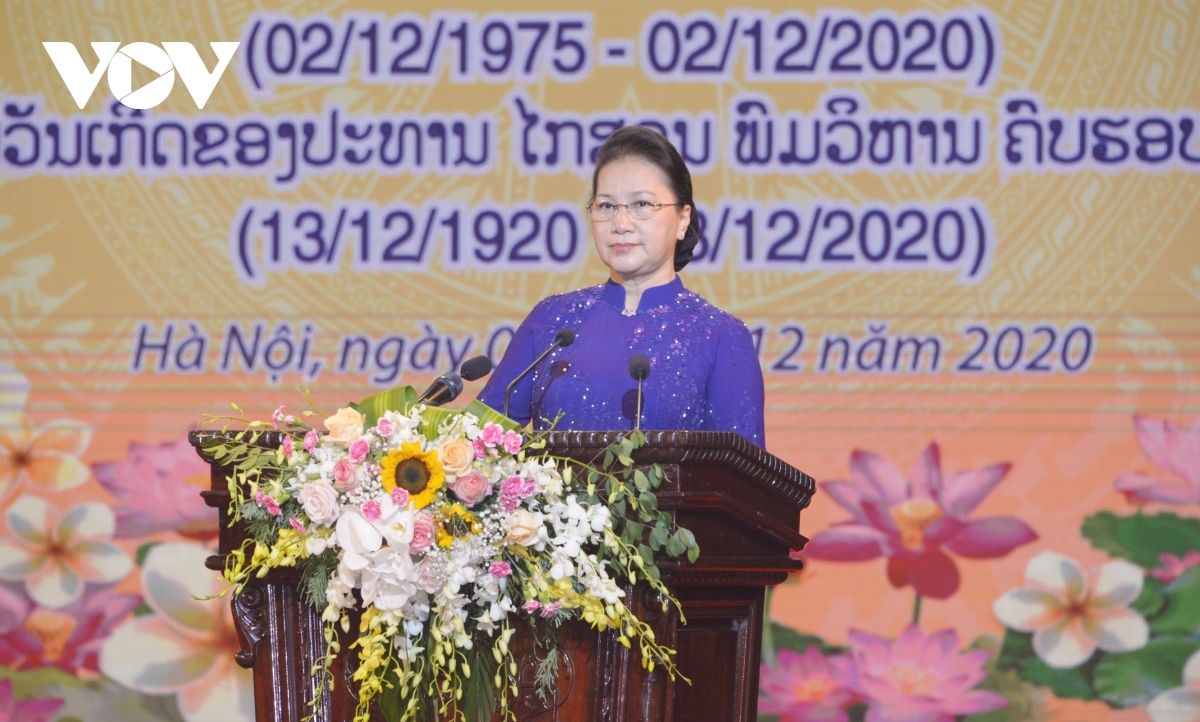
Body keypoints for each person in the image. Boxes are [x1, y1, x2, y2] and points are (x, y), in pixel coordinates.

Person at [476, 126, 765, 447]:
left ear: (683, 219)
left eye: (642, 205)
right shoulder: (552, 321)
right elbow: (479, 445)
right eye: (606, 206)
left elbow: (744, 480)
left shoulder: (721, 336)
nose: (621, 223)